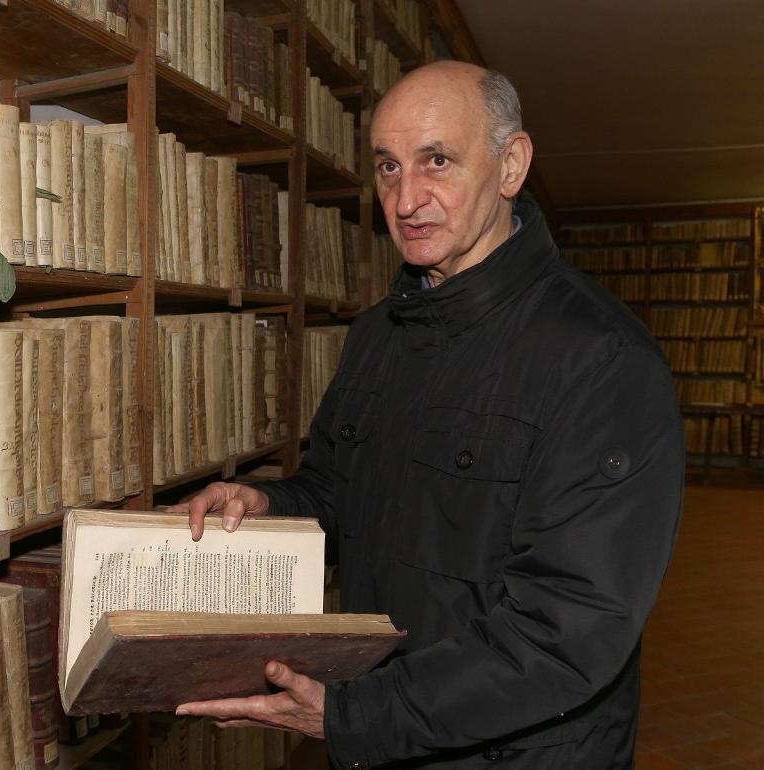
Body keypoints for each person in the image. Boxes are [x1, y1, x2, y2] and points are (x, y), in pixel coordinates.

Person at [171, 61, 684, 769]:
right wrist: (268, 505)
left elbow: (569, 629)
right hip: (385, 735)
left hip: (520, 753)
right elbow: (338, 491)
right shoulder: (378, 335)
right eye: (387, 166)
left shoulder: (602, 361)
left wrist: (356, 714)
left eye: (436, 160)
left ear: (511, 166)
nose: (406, 199)